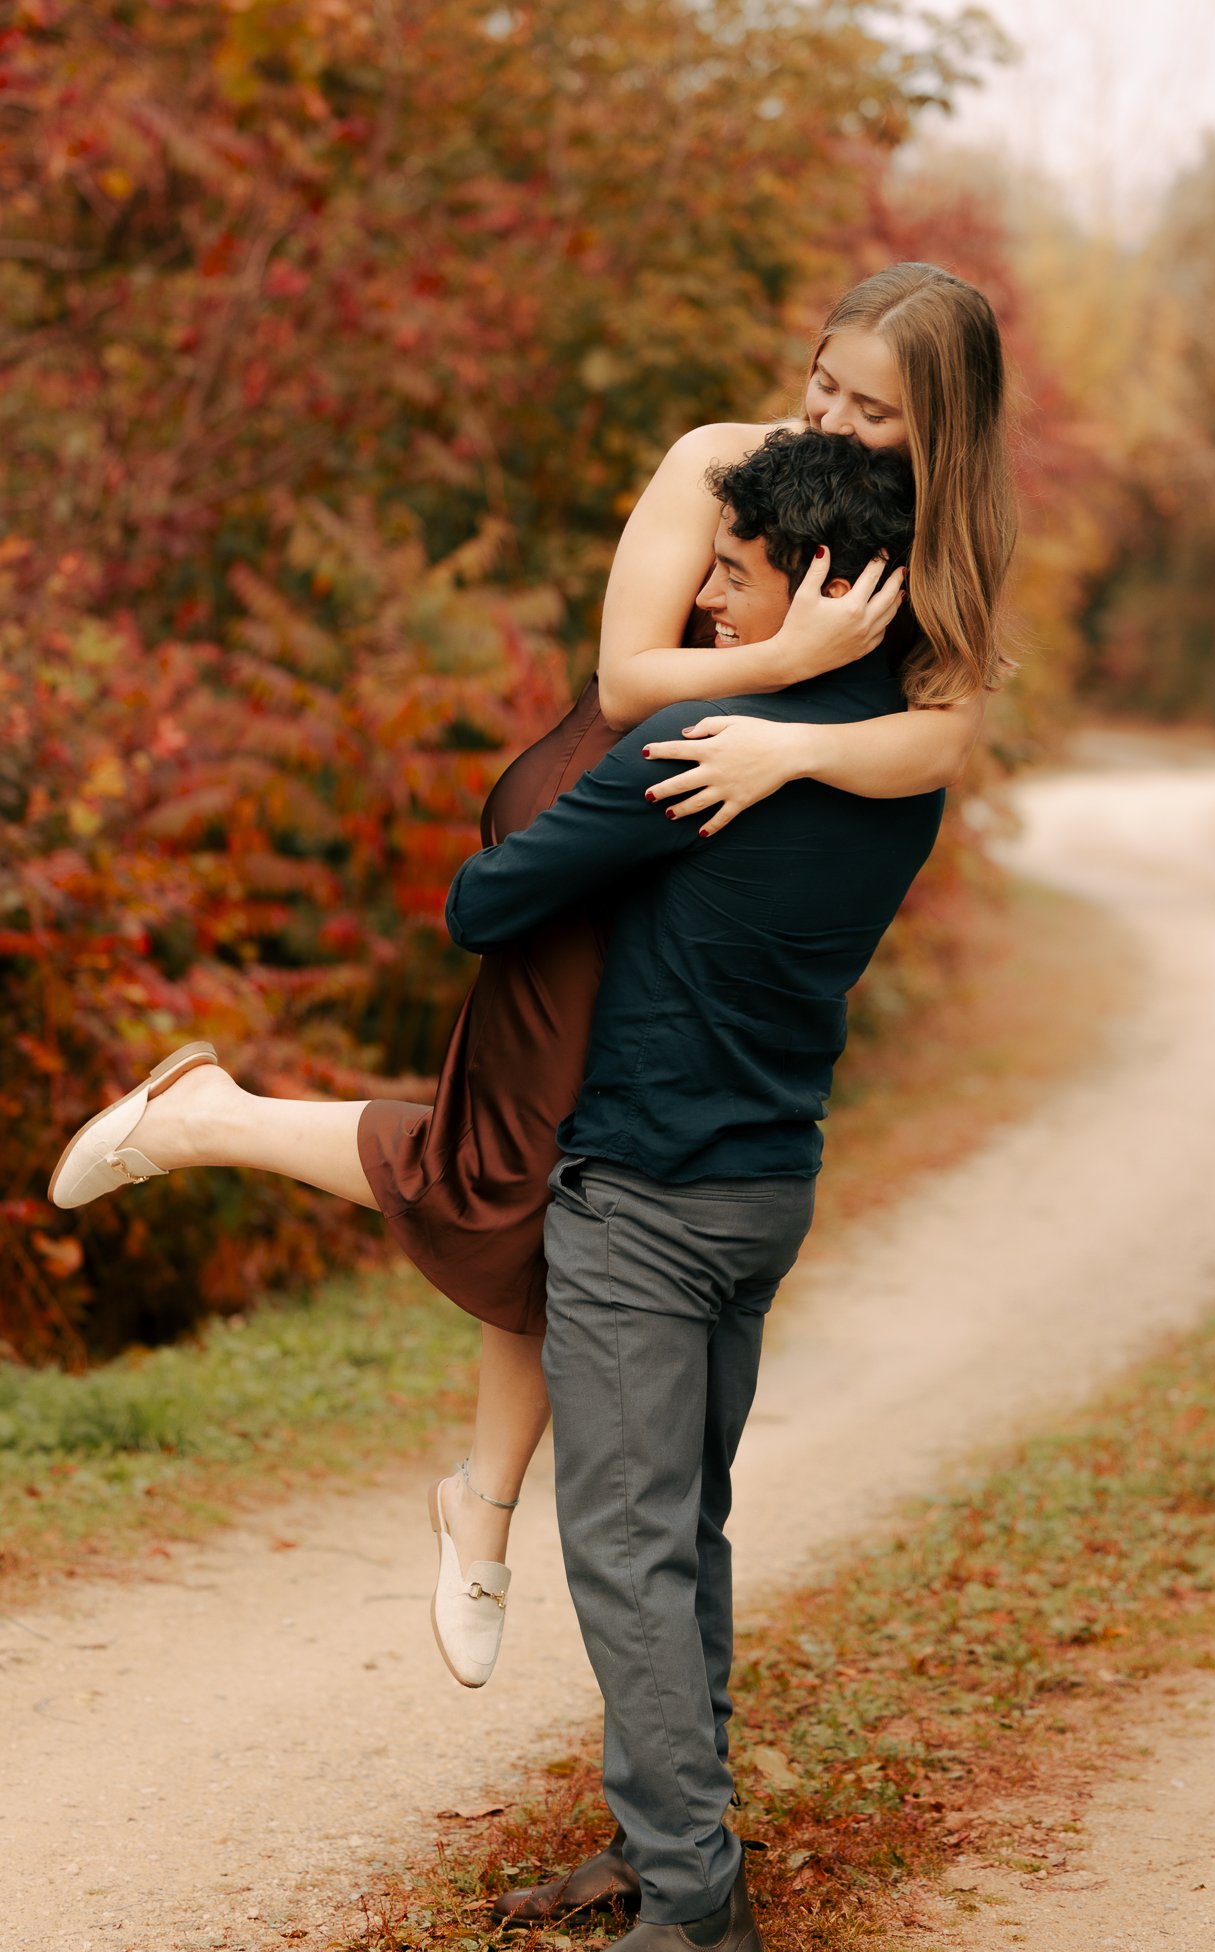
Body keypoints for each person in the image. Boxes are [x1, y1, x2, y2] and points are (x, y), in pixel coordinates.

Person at [47, 262, 1014, 1689]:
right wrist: (785, 669)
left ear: (942, 426)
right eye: (823, 382)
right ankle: (211, 1122)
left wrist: (794, 746)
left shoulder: (943, 542)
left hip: (710, 810)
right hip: (613, 791)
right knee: (512, 1166)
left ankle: (480, 1507)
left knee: (560, 1174)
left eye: (872, 410)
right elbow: (627, 677)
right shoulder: (723, 462)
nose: (828, 419)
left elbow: (938, 742)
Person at [453, 427, 948, 1951]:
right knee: (686, 1531)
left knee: (622, 1546)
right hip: (763, 1187)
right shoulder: (898, 764)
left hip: (648, 1198)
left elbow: (485, 898)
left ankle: (689, 1906)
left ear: (813, 585)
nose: (705, 609)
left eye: (732, 578)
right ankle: (653, 1847)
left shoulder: (696, 753)